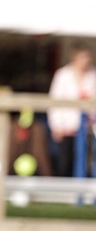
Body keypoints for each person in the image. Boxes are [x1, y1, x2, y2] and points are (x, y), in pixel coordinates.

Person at [47, 46, 96, 177]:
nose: (86, 60)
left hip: (87, 127)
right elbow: (54, 101)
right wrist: (56, 124)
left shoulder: (93, 75)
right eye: (83, 57)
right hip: (66, 126)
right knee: (65, 161)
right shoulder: (63, 75)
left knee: (85, 161)